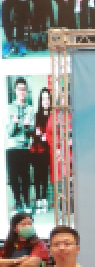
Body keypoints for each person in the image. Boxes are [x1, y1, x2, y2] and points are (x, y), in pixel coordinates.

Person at [7, 77, 35, 210]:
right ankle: (18, 202)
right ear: (15, 90)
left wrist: (28, 126)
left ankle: (27, 202)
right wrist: (15, 123)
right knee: (13, 178)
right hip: (12, 148)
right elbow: (9, 133)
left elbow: (32, 132)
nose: (21, 92)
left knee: (25, 177)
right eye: (19, 89)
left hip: (24, 148)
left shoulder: (30, 109)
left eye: (24, 89)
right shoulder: (9, 108)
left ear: (26, 91)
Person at [31, 87, 53, 212]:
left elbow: (53, 134)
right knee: (37, 176)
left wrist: (44, 136)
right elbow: (33, 132)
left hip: (48, 150)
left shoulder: (53, 116)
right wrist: (39, 135)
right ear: (40, 100)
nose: (46, 101)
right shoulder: (36, 116)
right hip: (36, 150)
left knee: (45, 175)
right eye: (43, 98)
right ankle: (38, 199)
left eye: (48, 98)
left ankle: (44, 199)